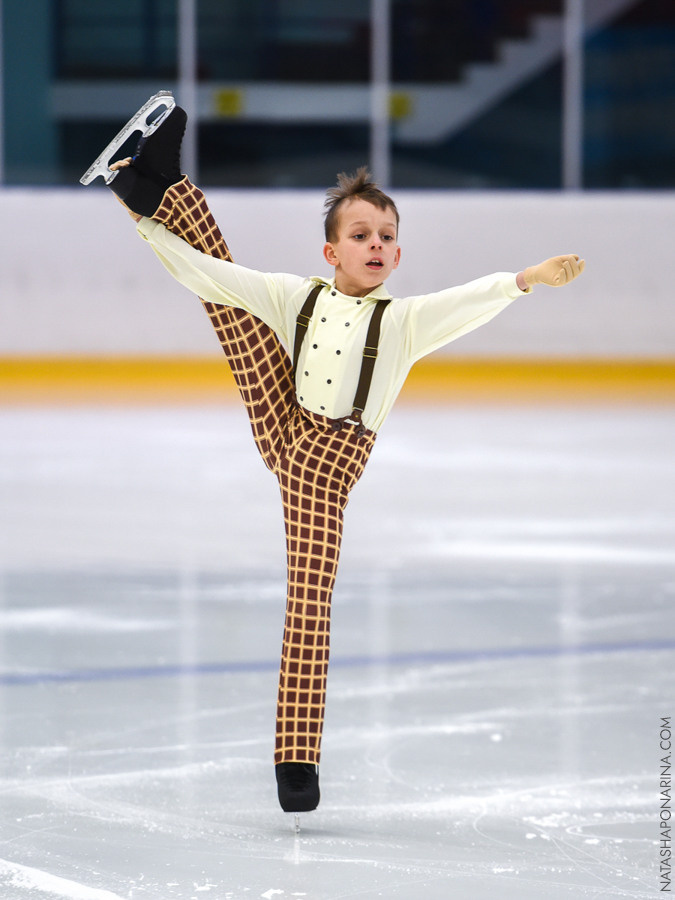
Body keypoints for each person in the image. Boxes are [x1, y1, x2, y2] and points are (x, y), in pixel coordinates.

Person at [83, 96, 585, 818]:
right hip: (279, 422)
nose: (375, 245)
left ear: (397, 252)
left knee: (308, 600)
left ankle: (295, 755)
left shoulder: (404, 322)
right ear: (331, 252)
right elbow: (209, 280)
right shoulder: (298, 297)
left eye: (386, 235)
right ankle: (154, 187)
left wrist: (526, 279)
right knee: (228, 302)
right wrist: (143, 225)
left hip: (327, 462)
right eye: (360, 234)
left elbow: (467, 300)